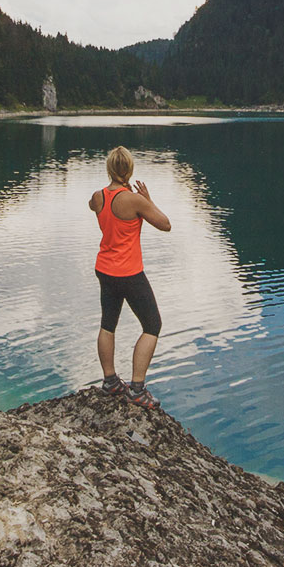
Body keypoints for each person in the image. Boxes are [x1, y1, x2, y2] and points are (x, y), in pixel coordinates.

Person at [89, 145, 171, 408]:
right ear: (130, 170)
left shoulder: (98, 196)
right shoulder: (133, 200)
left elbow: (93, 206)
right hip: (129, 272)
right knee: (152, 325)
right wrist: (148, 200)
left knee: (108, 324)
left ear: (110, 169)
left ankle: (110, 381)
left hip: (104, 269)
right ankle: (137, 388)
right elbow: (165, 224)